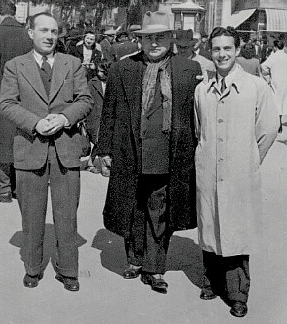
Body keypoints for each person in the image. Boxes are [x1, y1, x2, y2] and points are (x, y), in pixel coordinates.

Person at [96, 11, 201, 294]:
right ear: (139, 41)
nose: (154, 43)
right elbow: (109, 112)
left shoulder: (187, 70)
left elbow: (195, 116)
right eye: (148, 38)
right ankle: (134, 259)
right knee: (133, 205)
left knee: (160, 209)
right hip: (130, 151)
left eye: (160, 37)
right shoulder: (122, 69)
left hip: (169, 154)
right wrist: (103, 149)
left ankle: (154, 267)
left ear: (170, 39)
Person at [0, 12, 93, 291]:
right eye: (43, 30)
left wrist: (65, 118)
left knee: (67, 214)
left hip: (66, 148)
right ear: (30, 32)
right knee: (32, 213)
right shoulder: (15, 66)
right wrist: (36, 123)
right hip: (30, 148)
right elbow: (6, 103)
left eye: (53, 31)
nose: (50, 36)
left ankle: (69, 270)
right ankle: (33, 267)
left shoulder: (73, 64)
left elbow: (85, 99)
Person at [194, 26, 278, 317]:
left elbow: (268, 129)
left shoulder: (256, 86)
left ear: (238, 50)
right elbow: (199, 128)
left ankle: (238, 293)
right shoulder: (202, 89)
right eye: (216, 49)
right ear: (210, 51)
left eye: (227, 48)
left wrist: (250, 157)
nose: (222, 54)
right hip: (208, 170)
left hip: (240, 170)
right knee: (210, 223)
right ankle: (211, 281)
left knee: (237, 230)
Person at [0, 0, 32, 203]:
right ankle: (15, 187)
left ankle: (1, 188)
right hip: (25, 95)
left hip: (0, 93)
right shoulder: (28, 35)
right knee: (18, 138)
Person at [84, 60, 112, 174]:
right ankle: (104, 166)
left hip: (108, 116)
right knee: (99, 140)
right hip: (95, 116)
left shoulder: (112, 82)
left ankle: (90, 163)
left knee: (102, 140)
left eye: (102, 71)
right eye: (98, 71)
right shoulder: (92, 82)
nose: (99, 74)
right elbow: (86, 100)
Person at [261, 39, 287, 133]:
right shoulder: (285, 56)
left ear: (275, 47)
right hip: (285, 81)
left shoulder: (274, 56)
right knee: (283, 102)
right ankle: (280, 121)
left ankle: (278, 123)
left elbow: (263, 66)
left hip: (276, 81)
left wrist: (267, 75)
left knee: (276, 102)